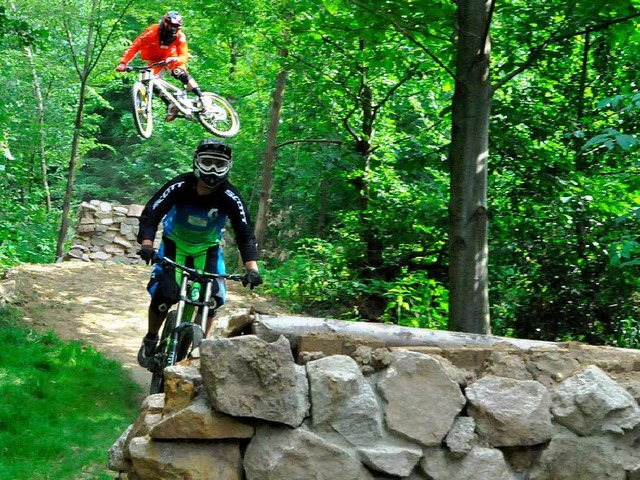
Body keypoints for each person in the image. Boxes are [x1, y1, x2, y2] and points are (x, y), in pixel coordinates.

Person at [135, 139, 262, 370]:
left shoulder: (230, 197)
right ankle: (151, 338)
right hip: (175, 245)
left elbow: (245, 234)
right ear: (196, 162)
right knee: (164, 296)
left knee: (212, 299)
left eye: (218, 164)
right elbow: (152, 213)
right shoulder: (179, 186)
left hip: (207, 249)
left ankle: (196, 348)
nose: (212, 169)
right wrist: (147, 244)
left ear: (228, 166)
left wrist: (252, 269)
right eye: (207, 162)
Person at [115, 11, 211, 122]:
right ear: (164, 22)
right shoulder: (151, 32)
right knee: (148, 80)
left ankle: (202, 97)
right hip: (155, 61)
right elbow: (135, 46)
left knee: (178, 72)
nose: (172, 28)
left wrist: (176, 59)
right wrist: (123, 63)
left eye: (175, 26)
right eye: (170, 24)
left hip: (172, 59)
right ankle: (170, 105)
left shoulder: (180, 36)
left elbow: (184, 56)